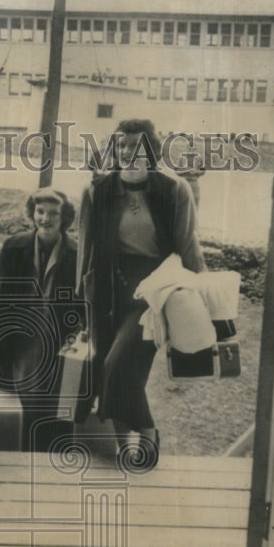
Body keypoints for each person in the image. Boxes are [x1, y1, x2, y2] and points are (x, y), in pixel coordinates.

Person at [77, 119, 206, 467]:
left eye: (137, 147)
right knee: (120, 368)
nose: (128, 153)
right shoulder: (97, 191)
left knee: (116, 363)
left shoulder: (174, 189)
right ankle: (124, 448)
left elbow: (188, 245)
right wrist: (80, 299)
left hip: (155, 290)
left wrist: (203, 293)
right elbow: (85, 249)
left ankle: (147, 434)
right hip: (107, 288)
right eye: (121, 147)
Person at [0, 188, 84, 452]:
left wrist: (76, 338)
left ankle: (48, 451)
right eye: (40, 211)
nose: (45, 218)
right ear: (32, 213)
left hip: (60, 337)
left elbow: (82, 304)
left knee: (57, 399)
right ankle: (32, 451)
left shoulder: (77, 252)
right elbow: (0, 300)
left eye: (53, 213)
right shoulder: (14, 246)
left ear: (65, 217)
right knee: (29, 396)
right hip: (21, 337)